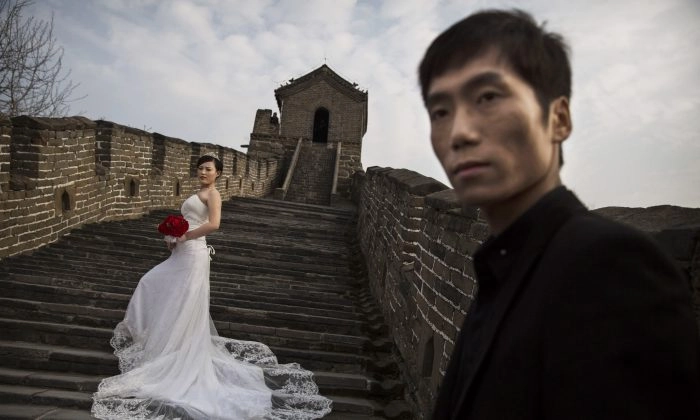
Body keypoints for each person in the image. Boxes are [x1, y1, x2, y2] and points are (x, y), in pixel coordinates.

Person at [419, 9, 700, 420]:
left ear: (558, 119)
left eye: (488, 98)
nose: (459, 132)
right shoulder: (502, 269)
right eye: (440, 111)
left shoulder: (613, 268)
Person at [92, 154, 332, 419]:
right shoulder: (197, 193)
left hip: (195, 254)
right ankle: (161, 344)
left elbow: (214, 224)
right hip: (181, 253)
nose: (203, 172)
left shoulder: (213, 195)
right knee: (158, 287)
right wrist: (172, 238)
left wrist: (185, 235)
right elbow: (190, 222)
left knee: (180, 299)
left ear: (218, 173)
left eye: (208, 169)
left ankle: (179, 354)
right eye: (200, 168)